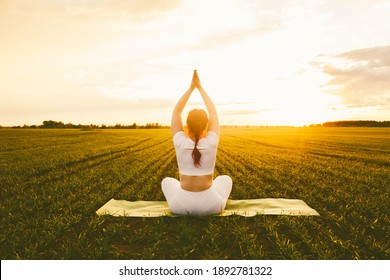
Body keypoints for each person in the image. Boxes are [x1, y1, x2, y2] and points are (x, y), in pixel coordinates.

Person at [161, 70, 233, 215]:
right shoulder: (211, 141)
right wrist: (200, 88)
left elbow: (176, 112)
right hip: (212, 206)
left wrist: (191, 88)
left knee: (167, 181)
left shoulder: (180, 141)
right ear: (206, 125)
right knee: (225, 179)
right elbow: (213, 112)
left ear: (186, 125)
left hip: (180, 207)